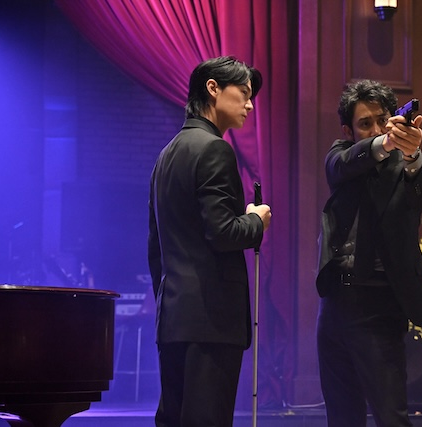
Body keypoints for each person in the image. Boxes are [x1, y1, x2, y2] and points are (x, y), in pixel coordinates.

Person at [148, 56, 272, 427]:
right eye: (244, 93)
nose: (250, 105)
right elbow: (223, 233)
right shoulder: (214, 149)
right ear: (213, 88)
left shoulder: (166, 154)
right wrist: (256, 220)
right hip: (211, 320)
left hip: (173, 318)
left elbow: (155, 247)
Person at [315, 79, 422, 427]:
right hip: (335, 303)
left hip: (380, 305)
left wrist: (412, 155)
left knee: (391, 416)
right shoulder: (342, 155)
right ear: (348, 131)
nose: (375, 128)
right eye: (365, 123)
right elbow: (340, 165)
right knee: (341, 417)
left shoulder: (413, 163)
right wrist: (383, 143)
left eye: (382, 120)